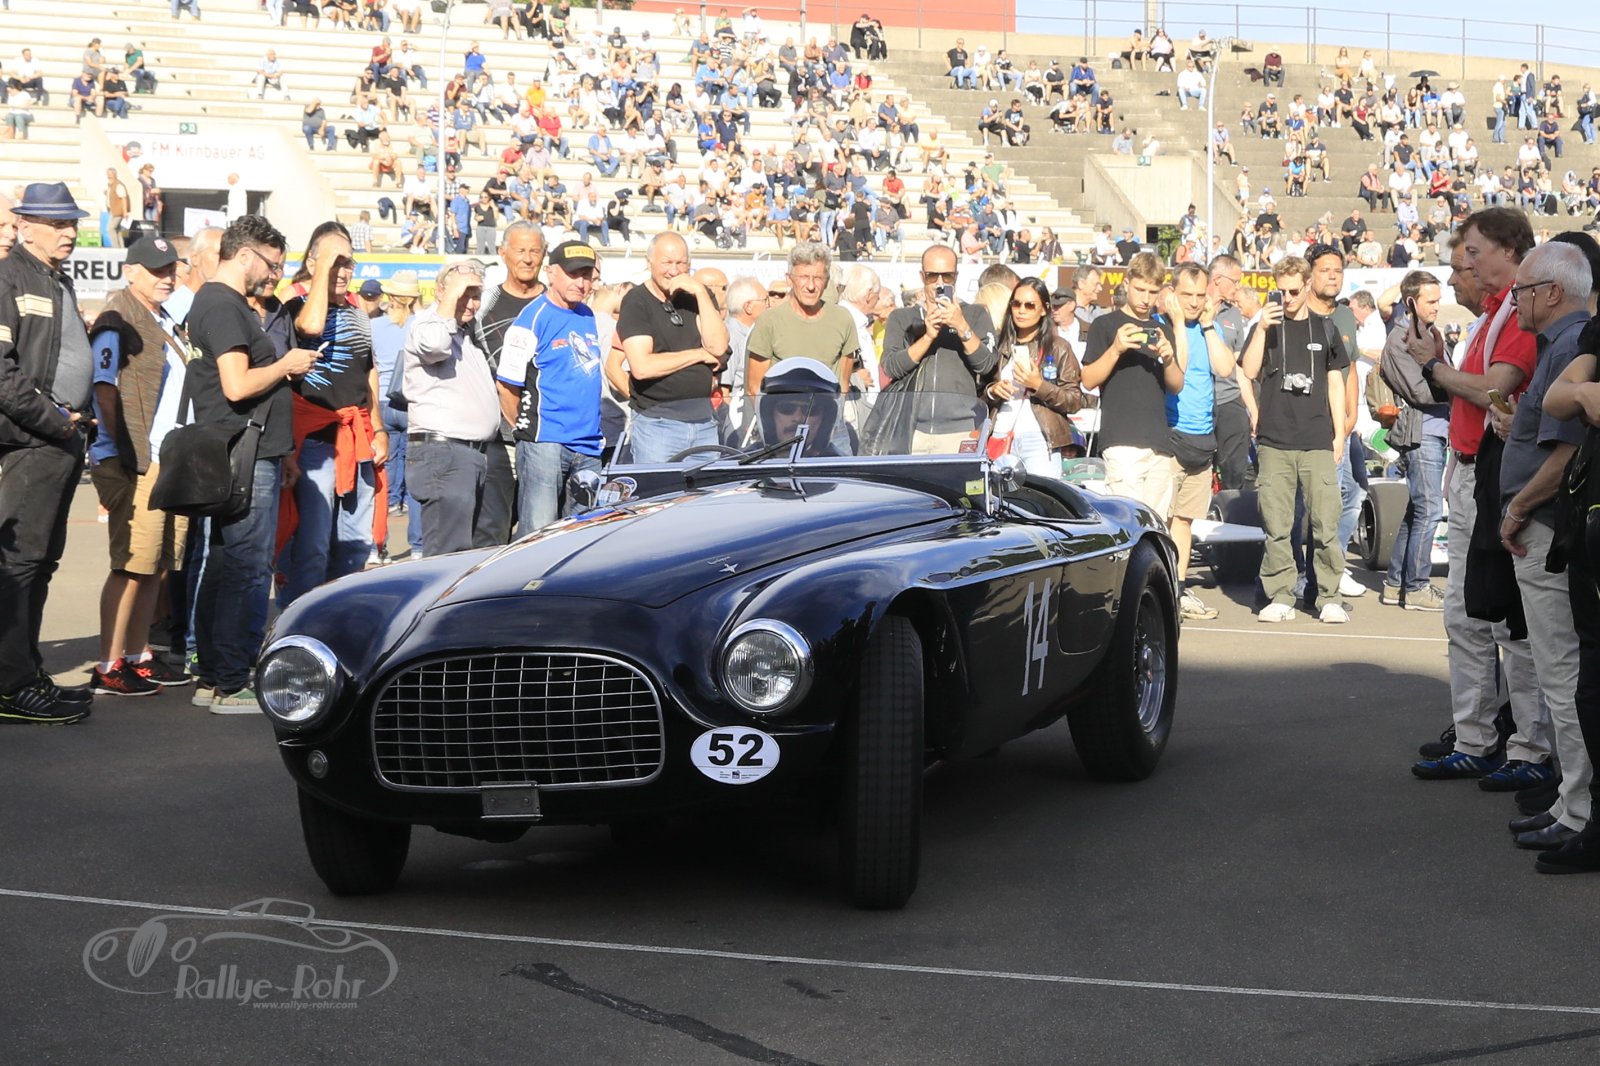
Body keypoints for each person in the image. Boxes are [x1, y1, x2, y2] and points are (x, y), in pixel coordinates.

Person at [1409, 210, 1545, 785]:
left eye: (1472, 251)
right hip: (1471, 474)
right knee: (1468, 616)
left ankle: (1527, 748)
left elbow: (1495, 389)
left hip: (1495, 479)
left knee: (1509, 620)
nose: (1463, 263)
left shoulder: (1518, 311)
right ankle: (1478, 738)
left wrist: (1434, 368)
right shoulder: (1495, 313)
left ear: (1508, 251)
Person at [1483, 242, 1592, 852]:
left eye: (1521, 291)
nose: (1514, 301)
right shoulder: (1564, 345)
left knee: (1562, 672)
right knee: (1560, 673)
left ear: (1552, 292)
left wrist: (1519, 507)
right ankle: (1571, 801)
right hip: (1547, 526)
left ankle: (1578, 808)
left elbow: (1567, 452)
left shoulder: (1570, 346)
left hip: (1547, 528)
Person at [187, 216, 317, 711]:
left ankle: (215, 674)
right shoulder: (223, 305)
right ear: (244, 256)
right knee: (246, 567)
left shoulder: (221, 302)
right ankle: (231, 679)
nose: (274, 275)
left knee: (227, 563)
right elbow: (237, 385)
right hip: (245, 452)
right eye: (271, 264)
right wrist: (286, 364)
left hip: (247, 450)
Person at [0, 183, 98, 723]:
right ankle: (10, 686)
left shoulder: (55, 278)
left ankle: (26, 671)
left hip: (59, 439)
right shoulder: (9, 277)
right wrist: (54, 420)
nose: (69, 232)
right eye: (57, 223)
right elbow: (3, 373)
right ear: (25, 226)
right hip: (32, 441)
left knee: (40, 563)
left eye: (72, 222)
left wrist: (76, 421)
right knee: (19, 566)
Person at [85, 236, 191, 697]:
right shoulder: (117, 316)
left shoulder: (163, 316)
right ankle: (109, 664)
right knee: (131, 564)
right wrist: (123, 452)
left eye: (170, 269)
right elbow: (103, 386)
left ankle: (136, 655)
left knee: (156, 566)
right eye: (155, 270)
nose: (166, 277)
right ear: (130, 271)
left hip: (169, 457)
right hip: (139, 459)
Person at [1238, 256, 1351, 624]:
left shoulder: (1326, 328)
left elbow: (1335, 383)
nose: (1286, 298)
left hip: (1317, 437)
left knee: (1325, 523)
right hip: (1274, 440)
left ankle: (1328, 595)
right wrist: (1260, 329)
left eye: (1292, 291)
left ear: (1307, 286)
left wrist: (1340, 433)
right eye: (1280, 291)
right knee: (1277, 526)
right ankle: (1281, 594)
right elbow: (1248, 371)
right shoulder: (1266, 326)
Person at [277, 228, 384, 607]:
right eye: (333, 262)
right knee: (313, 546)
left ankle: (340, 618)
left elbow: (367, 373)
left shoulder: (359, 314)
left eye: (347, 262)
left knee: (355, 544)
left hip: (358, 436)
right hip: (314, 442)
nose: (343, 270)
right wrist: (320, 271)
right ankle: (299, 621)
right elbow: (311, 327)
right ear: (313, 263)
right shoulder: (294, 308)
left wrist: (379, 428)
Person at [495, 241, 602, 531]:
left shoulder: (587, 315)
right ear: (551, 272)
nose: (580, 283)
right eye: (572, 274)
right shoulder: (532, 318)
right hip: (545, 444)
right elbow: (506, 386)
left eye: (586, 275)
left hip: (588, 446)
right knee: (539, 533)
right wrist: (527, 433)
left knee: (584, 534)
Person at [399, 261, 503, 554]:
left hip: (466, 454)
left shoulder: (462, 332)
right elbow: (434, 345)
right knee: (447, 554)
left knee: (465, 554)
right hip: (445, 452)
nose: (470, 302)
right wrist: (450, 297)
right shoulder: (429, 323)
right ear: (441, 291)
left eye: (475, 295)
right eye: (462, 293)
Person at [1080, 252, 1183, 514]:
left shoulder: (1162, 329)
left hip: (1159, 443)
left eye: (1153, 291)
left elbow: (1177, 385)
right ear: (1126, 284)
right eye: (1140, 289)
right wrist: (1115, 349)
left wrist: (1169, 359)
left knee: (1157, 526)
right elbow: (1088, 380)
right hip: (1121, 442)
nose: (1146, 298)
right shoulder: (1104, 325)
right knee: (1127, 521)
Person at [615, 232, 728, 462]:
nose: (674, 271)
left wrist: (700, 292)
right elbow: (642, 367)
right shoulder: (637, 301)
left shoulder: (699, 296)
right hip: (658, 425)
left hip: (704, 422)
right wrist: (699, 354)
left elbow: (717, 347)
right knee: (659, 486)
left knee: (707, 487)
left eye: (681, 263)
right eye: (667, 262)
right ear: (649, 262)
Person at [1164, 262, 1237, 621]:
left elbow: (1225, 369)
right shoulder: (1162, 327)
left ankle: (1177, 590)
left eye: (1199, 295)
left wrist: (1207, 326)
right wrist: (1178, 322)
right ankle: (1160, 589)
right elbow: (1178, 366)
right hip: (1168, 433)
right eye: (1185, 295)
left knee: (1184, 521)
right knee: (1161, 519)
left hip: (1202, 436)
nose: (1193, 302)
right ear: (1172, 293)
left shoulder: (1209, 327)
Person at [1376, 271, 1450, 610]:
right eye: (1430, 301)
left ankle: (1396, 584)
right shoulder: (1399, 340)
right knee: (1429, 510)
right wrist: (1458, 386)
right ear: (1411, 302)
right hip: (1421, 432)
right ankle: (1417, 587)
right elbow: (1420, 392)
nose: (1437, 306)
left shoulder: (1430, 333)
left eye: (1438, 300)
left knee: (1418, 510)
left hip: (1433, 430)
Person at [879, 244, 998, 453]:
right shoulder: (902, 318)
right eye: (932, 276)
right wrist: (927, 337)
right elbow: (891, 367)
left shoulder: (975, 315)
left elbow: (986, 364)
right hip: (910, 430)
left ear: (956, 277)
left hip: (960, 430)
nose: (940, 283)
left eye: (947, 276)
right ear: (922, 276)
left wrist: (961, 325)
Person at [477, 221, 547, 541]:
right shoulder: (482, 305)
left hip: (546, 440)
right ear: (503, 253)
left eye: (535, 251)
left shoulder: (557, 302)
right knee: (492, 531)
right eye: (520, 250)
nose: (528, 259)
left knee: (542, 533)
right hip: (497, 439)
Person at [982, 276, 1087, 479]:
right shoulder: (999, 346)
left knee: (1040, 497)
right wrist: (993, 391)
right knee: (997, 498)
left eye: (1030, 305)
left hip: (1039, 439)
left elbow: (1074, 400)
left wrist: (1039, 385)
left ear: (1044, 309)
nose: (1021, 310)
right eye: (1016, 304)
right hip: (1000, 435)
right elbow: (979, 393)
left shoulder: (1058, 347)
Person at [746, 243, 858, 397]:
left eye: (818, 278)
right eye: (804, 277)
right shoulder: (769, 321)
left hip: (826, 410)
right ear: (789, 279)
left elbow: (843, 384)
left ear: (827, 281)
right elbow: (755, 387)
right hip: (779, 410)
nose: (811, 286)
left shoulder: (843, 319)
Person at [371, 271, 421, 557]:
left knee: (380, 473)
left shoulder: (374, 326)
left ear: (390, 296)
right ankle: (418, 547)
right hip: (412, 402)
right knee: (415, 474)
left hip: (381, 402)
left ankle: (377, 546)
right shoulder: (422, 324)